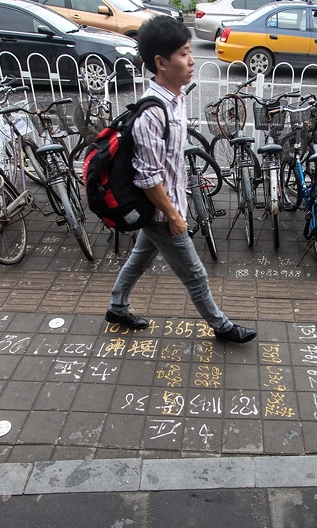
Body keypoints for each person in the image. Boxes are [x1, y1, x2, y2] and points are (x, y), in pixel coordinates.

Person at [105, 16, 256, 344]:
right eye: (184, 54)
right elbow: (147, 178)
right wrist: (174, 216)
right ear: (161, 62)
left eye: (190, 52)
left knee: (139, 258)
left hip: (168, 207)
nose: (191, 61)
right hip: (162, 213)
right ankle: (222, 327)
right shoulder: (152, 114)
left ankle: (117, 306)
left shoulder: (176, 97)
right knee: (196, 276)